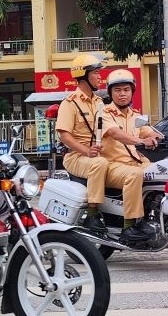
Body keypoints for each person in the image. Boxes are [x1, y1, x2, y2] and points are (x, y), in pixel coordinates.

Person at [56, 52, 151, 237]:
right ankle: (92, 215)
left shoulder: (99, 102)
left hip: (97, 157)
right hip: (77, 156)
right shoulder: (69, 104)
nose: (100, 76)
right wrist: (86, 151)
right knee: (100, 163)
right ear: (83, 75)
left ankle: (137, 220)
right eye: (96, 73)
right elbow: (64, 136)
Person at [98, 68, 160, 242]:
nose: (122, 94)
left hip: (135, 163)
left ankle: (155, 215)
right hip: (112, 166)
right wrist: (140, 141)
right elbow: (116, 133)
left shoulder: (135, 116)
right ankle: (129, 226)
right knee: (135, 174)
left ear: (132, 91)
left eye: (126, 90)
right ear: (111, 93)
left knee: (163, 171)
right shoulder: (104, 114)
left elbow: (151, 132)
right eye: (117, 90)